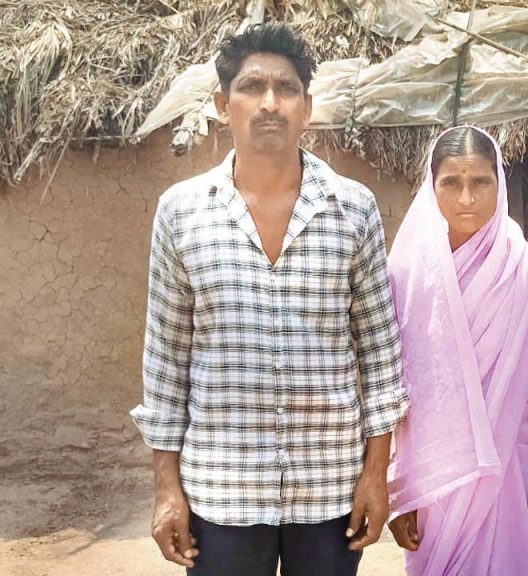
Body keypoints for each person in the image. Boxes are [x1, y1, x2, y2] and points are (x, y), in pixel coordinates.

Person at [129, 23, 409, 576]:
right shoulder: (182, 212)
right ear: (221, 104)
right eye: (252, 87)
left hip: (330, 489)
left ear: (307, 106)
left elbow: (380, 357)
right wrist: (167, 488)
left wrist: (376, 475)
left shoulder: (353, 209)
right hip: (221, 492)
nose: (270, 103)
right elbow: (166, 362)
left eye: (286, 89)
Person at [385, 125, 528, 575]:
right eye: (451, 182)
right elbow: (388, 387)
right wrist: (398, 488)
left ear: (499, 185)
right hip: (432, 475)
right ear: (431, 187)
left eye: (480, 181)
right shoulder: (404, 276)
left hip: (509, 466)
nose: (466, 197)